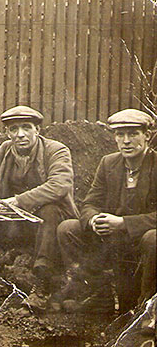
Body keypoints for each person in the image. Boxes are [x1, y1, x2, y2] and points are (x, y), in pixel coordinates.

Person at [0, 106, 78, 285]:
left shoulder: (56, 150)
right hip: (18, 223)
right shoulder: (5, 151)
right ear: (7, 133)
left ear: (37, 130)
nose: (20, 134)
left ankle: (42, 280)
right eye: (14, 129)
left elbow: (59, 185)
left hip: (53, 223)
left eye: (26, 127)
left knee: (49, 210)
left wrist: (17, 201)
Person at [51, 109, 156, 313]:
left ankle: (147, 308)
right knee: (67, 228)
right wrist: (94, 220)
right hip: (111, 240)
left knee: (154, 239)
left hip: (143, 240)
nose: (126, 141)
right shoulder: (109, 163)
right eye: (120, 134)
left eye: (133, 133)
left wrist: (124, 223)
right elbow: (90, 203)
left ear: (147, 136)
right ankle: (99, 295)